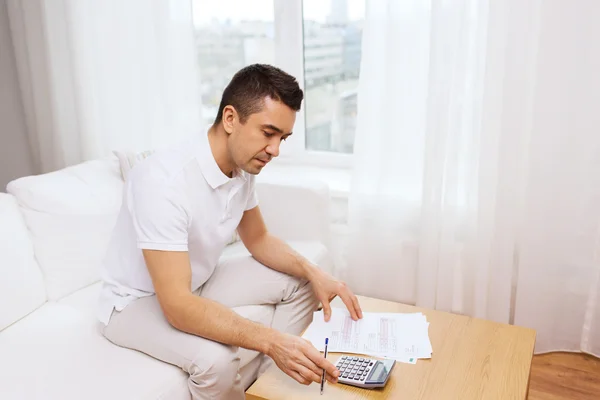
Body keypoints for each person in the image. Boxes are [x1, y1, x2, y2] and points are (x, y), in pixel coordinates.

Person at [97, 64, 363, 400]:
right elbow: (177, 305)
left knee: (304, 281)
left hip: (195, 283)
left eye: (283, 137)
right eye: (268, 133)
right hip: (132, 304)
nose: (276, 150)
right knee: (217, 362)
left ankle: (266, 390)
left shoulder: (242, 165)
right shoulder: (162, 182)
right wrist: (271, 340)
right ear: (230, 119)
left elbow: (259, 240)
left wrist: (316, 272)